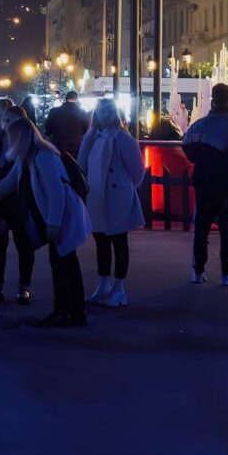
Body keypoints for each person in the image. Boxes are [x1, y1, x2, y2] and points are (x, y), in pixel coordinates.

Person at [0, 116, 91, 325]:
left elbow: (57, 192)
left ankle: (68, 311)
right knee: (63, 263)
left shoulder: (43, 157)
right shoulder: (29, 157)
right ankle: (70, 311)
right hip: (60, 215)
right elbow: (10, 182)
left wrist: (54, 223)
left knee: (65, 264)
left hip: (64, 215)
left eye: (12, 137)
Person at [181, 83, 228, 286]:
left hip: (204, 182)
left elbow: (188, 149)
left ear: (212, 99)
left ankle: (198, 271)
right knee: (226, 228)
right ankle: (227, 274)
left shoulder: (200, 125)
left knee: (201, 227)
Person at [79, 99, 146, 308]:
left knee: (118, 241)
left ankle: (119, 288)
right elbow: (82, 165)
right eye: (101, 112)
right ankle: (104, 284)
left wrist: (125, 187)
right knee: (101, 242)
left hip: (116, 195)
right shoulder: (92, 137)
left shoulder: (122, 138)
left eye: (107, 112)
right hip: (97, 195)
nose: (104, 116)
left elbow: (138, 170)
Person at [0, 101, 37, 304]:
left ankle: (24, 286)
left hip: (20, 201)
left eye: (14, 120)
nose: (9, 124)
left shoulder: (30, 144)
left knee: (24, 245)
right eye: (7, 120)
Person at [43, 90, 90, 160]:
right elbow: (87, 129)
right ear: (76, 99)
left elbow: (48, 128)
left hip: (58, 147)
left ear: (65, 98)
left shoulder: (54, 111)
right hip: (76, 147)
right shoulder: (82, 112)